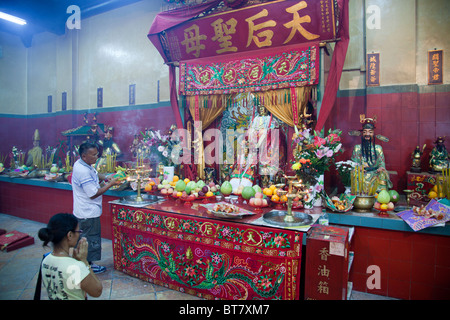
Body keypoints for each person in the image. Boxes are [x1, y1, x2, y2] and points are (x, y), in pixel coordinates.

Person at [72, 142, 120, 273]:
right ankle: (88, 265)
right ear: (84, 155)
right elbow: (93, 194)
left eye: (96, 154)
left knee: (84, 238)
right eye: (93, 155)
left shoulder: (82, 164)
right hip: (88, 212)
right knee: (90, 238)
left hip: (84, 210)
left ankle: (83, 262)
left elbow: (94, 173)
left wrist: (106, 177)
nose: (96, 157)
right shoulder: (82, 171)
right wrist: (110, 184)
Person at [38, 213, 102, 300]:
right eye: (78, 232)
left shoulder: (46, 260)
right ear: (70, 235)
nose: (79, 235)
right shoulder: (75, 267)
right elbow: (97, 291)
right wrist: (84, 261)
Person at [350, 115, 392, 191]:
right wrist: (358, 168)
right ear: (362, 133)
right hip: (362, 172)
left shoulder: (378, 148)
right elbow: (354, 163)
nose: (367, 134)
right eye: (365, 132)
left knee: (383, 174)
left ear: (373, 134)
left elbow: (381, 162)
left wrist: (381, 168)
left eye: (370, 132)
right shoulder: (357, 148)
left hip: (375, 172)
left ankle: (379, 195)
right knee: (354, 173)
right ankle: (359, 195)